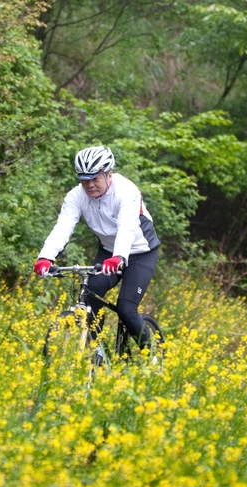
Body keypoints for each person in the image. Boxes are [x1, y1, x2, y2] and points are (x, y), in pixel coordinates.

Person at [35, 145, 160, 349]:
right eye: (84, 180)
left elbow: (127, 227)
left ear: (109, 174)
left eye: (95, 179)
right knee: (90, 294)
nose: (89, 185)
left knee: (126, 309)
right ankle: (97, 355)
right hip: (109, 252)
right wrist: (46, 257)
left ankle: (154, 357)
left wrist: (119, 256)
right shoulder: (76, 196)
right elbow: (63, 227)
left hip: (140, 253)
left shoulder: (127, 191)